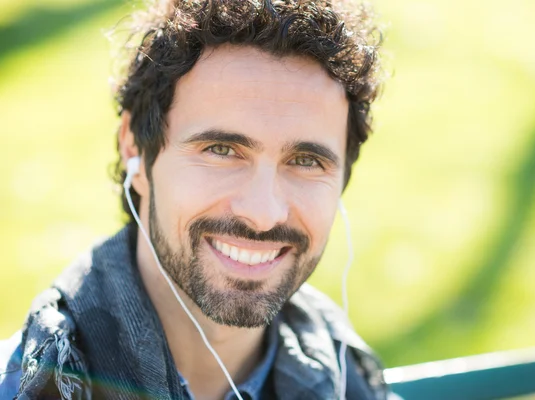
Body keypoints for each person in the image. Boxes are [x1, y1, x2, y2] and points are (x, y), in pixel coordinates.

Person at [0, 0, 394, 398]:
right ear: (133, 148)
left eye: (306, 161)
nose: (262, 214)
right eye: (222, 150)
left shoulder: (353, 382)